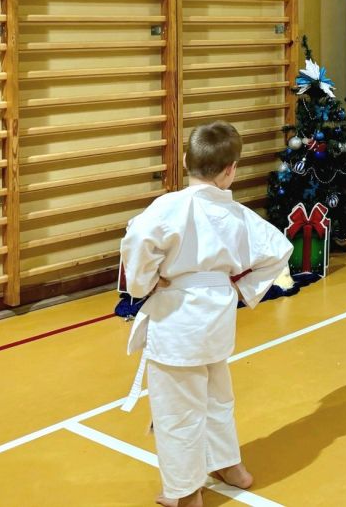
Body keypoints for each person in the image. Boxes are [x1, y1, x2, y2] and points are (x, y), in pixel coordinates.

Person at [119, 122, 293, 507]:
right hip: (216, 317)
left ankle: (185, 493)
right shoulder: (237, 214)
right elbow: (280, 249)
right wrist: (241, 290)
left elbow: (137, 238)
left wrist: (144, 283)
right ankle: (230, 467)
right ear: (231, 170)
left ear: (185, 161)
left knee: (177, 410)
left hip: (177, 322)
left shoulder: (169, 206)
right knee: (216, 396)